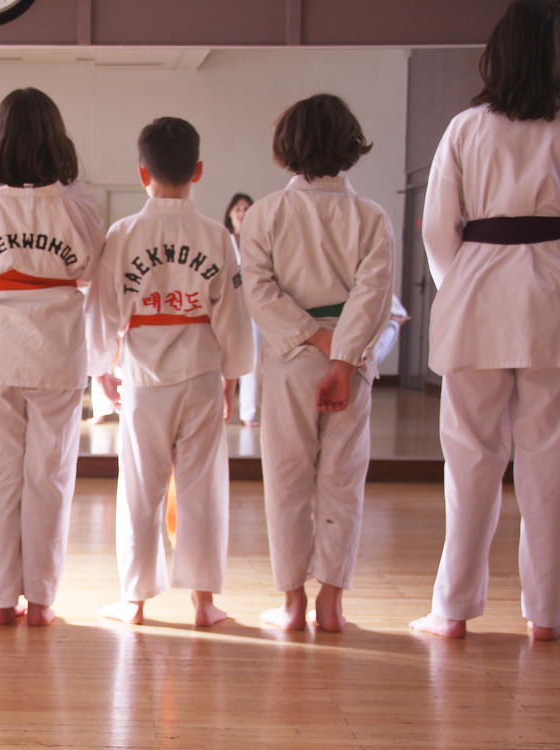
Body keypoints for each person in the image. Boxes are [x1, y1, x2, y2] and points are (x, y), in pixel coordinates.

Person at [409, 0, 560, 642]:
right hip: (557, 293)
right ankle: (544, 616)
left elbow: (439, 229)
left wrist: (460, 282)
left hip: (478, 289)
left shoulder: (466, 128)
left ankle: (453, 611)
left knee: (470, 457)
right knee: (550, 460)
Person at [86, 117, 253, 627]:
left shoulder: (124, 233)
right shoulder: (216, 236)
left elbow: (103, 309)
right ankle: (203, 603)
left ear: (142, 174)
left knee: (140, 486)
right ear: (198, 170)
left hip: (141, 374)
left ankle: (134, 600)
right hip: (201, 370)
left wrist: (100, 368)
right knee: (202, 486)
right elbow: (233, 314)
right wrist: (233, 374)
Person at [241, 94, 394, 632]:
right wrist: (345, 357)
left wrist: (315, 338)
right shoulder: (371, 216)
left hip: (291, 360)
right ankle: (331, 604)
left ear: (285, 151)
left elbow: (259, 294)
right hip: (350, 365)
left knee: (286, 479)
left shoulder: (264, 213)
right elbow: (373, 296)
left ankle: (291, 604)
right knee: (342, 479)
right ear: (352, 146)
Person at [0, 88, 105, 626]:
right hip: (57, 345)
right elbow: (90, 268)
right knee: (50, 474)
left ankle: (0, 600)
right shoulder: (78, 198)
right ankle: (39, 601)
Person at [224, 192, 261, 427]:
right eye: (237, 208)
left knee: (252, 357)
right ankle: (223, 406)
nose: (241, 212)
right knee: (225, 354)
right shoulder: (222, 238)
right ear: (230, 213)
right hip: (228, 303)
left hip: (253, 304)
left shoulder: (258, 239)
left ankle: (248, 413)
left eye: (247, 208)